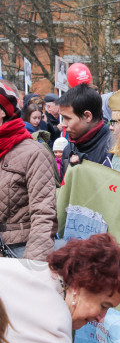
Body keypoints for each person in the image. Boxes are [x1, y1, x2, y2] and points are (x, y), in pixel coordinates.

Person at [0, 80, 56, 261]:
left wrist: (32, 270)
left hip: (18, 257)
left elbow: (44, 215)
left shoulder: (34, 153)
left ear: (2, 111)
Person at [57, 83, 113, 181]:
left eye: (67, 118)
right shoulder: (67, 150)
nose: (63, 124)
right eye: (62, 118)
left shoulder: (113, 149)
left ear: (87, 116)